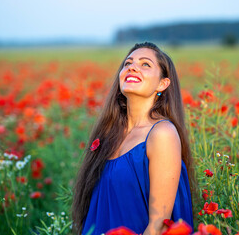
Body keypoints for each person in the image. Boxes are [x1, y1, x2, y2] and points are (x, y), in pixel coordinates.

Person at [72, 42, 196, 235]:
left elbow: (159, 225)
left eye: (145, 64)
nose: (132, 67)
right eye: (128, 63)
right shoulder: (109, 134)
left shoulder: (162, 134)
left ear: (162, 84)